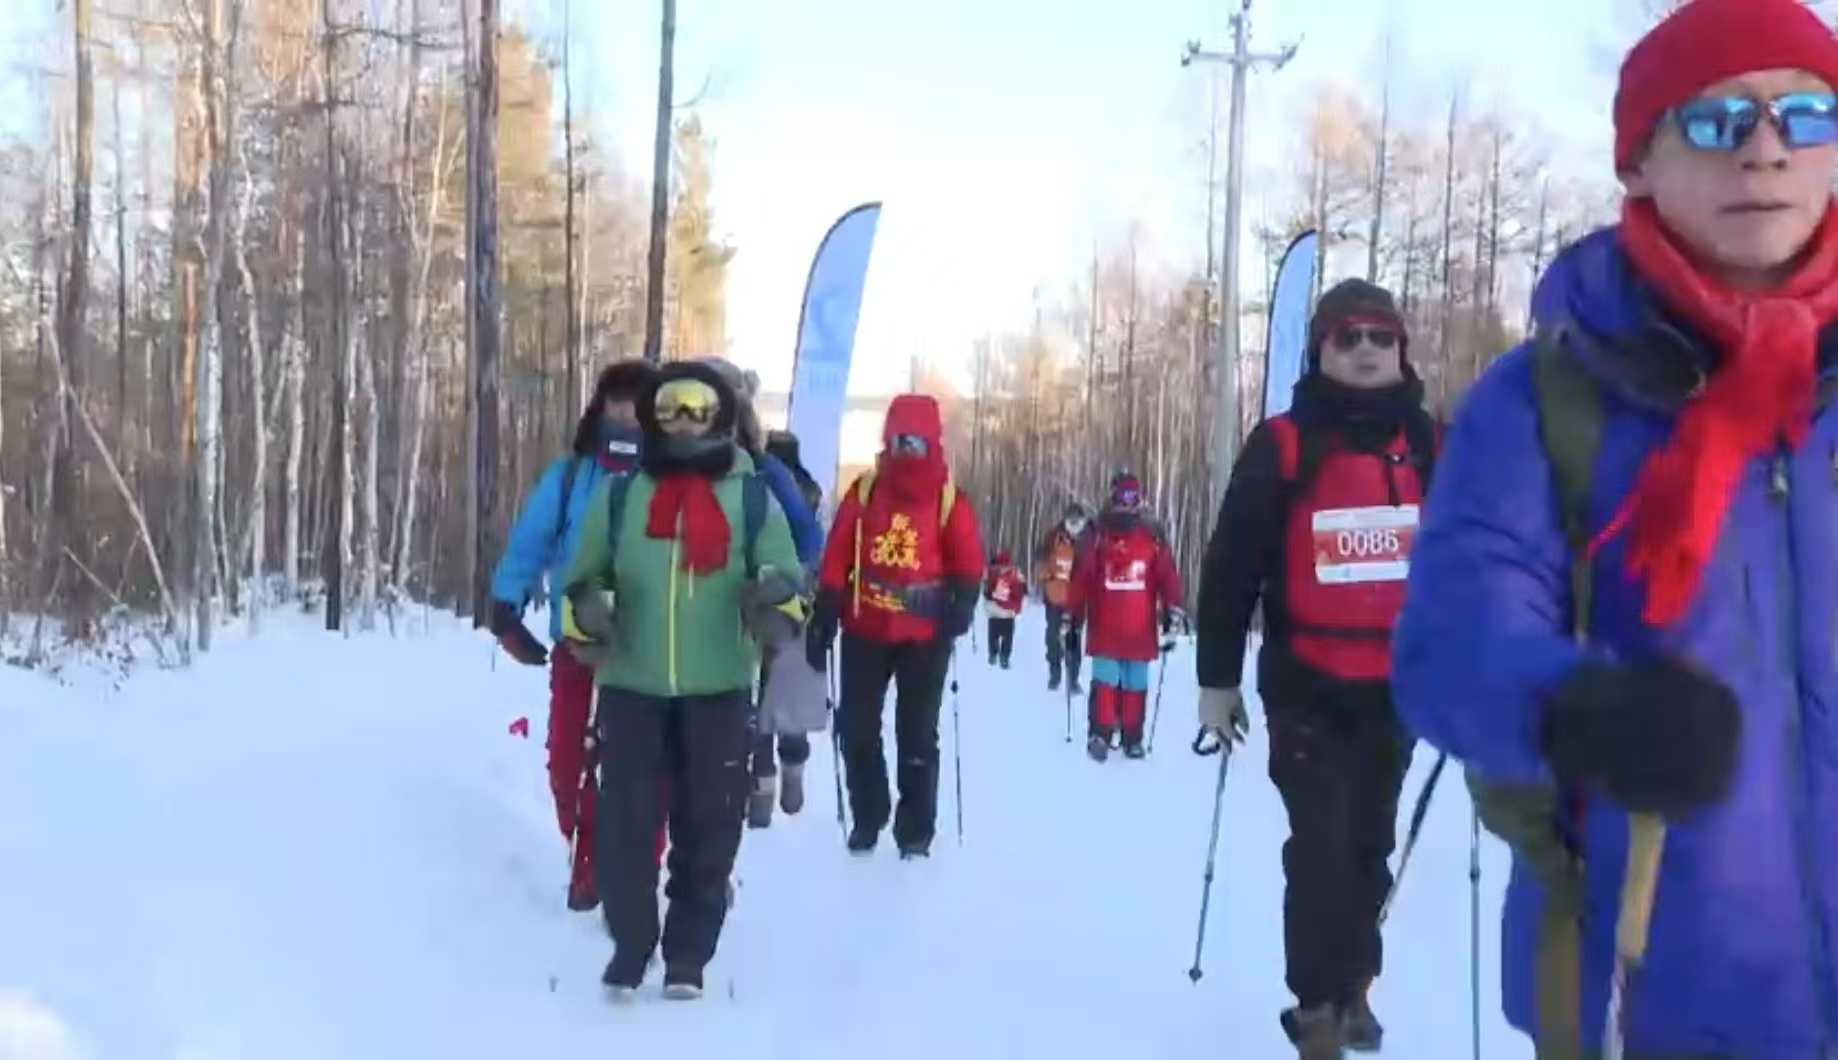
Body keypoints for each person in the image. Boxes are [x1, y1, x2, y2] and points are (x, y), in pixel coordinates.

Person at [1393, 1, 1838, 1055]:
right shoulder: (1541, 400)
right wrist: (1575, 710)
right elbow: (1447, 649)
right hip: (1644, 999)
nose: (1766, 152)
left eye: (1806, 117)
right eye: (1718, 120)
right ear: (1636, 160)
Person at [1194, 278, 1436, 1057]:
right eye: (1346, 337)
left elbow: (1469, 556)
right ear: (1320, 350)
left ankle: (1355, 986)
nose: (1364, 350)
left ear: (1401, 349)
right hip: (1306, 685)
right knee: (1322, 842)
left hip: (1396, 687)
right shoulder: (1284, 443)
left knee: (1369, 843)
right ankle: (1316, 1009)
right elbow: (1231, 565)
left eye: (1378, 336)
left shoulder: (1431, 443)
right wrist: (1216, 679)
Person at [557, 361, 807, 1001]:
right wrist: (587, 611)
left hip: (720, 685)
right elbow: (580, 580)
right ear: (651, 416)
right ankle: (632, 942)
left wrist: (775, 603)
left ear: (722, 415)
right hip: (632, 683)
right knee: (623, 826)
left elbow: (788, 579)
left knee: (710, 825)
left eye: (698, 406)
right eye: (670, 407)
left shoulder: (752, 497)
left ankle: (689, 953)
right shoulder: (620, 496)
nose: (684, 420)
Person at [487, 359, 655, 912]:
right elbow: (531, 541)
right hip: (577, 645)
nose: (625, 414)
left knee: (640, 769)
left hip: (648, 652)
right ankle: (587, 853)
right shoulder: (568, 478)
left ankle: (631, 871)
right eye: (616, 402)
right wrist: (506, 606)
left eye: (637, 404)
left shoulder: (670, 481)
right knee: (567, 762)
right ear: (600, 407)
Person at [806, 394, 984, 858]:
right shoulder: (864, 492)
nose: (907, 451)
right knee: (856, 726)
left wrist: (962, 603)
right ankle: (869, 813)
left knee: (917, 732)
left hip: (926, 636)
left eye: (916, 441)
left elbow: (968, 561)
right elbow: (838, 554)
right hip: (865, 628)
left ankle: (915, 831)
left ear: (932, 444)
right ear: (887, 440)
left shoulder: (948, 500)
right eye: (899, 440)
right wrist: (827, 605)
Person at [692, 357, 825, 830]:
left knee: (766, 686)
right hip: (711, 609)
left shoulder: (765, 470)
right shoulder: (679, 471)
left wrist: (786, 581)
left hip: (760, 600)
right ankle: (769, 775)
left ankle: (768, 778)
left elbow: (807, 538)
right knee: (765, 688)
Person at [1068, 471, 1183, 762]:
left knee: (1118, 681)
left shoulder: (1102, 534)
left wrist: (1073, 618)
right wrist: (1173, 607)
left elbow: (1082, 577)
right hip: (1131, 627)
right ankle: (1123, 737)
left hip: (1121, 626)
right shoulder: (1110, 535)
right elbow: (1167, 576)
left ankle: (1110, 735)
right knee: (1129, 682)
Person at [1034, 501, 1093, 692]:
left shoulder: (1090, 542)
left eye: (1078, 522)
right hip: (1055, 597)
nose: (1075, 526)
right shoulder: (1053, 537)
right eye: (1072, 522)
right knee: (1053, 636)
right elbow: (1040, 559)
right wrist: (1045, 575)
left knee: (1074, 637)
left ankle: (1073, 678)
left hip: (1078, 600)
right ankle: (1054, 672)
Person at [982, 549, 1026, 668]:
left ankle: (993, 653)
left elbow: (986, 591)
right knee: (1008, 636)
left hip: (994, 610)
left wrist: (988, 600)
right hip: (1008, 612)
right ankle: (1004, 657)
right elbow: (1021, 590)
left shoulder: (991, 571)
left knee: (993, 634)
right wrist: (1017, 607)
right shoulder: (1014, 572)